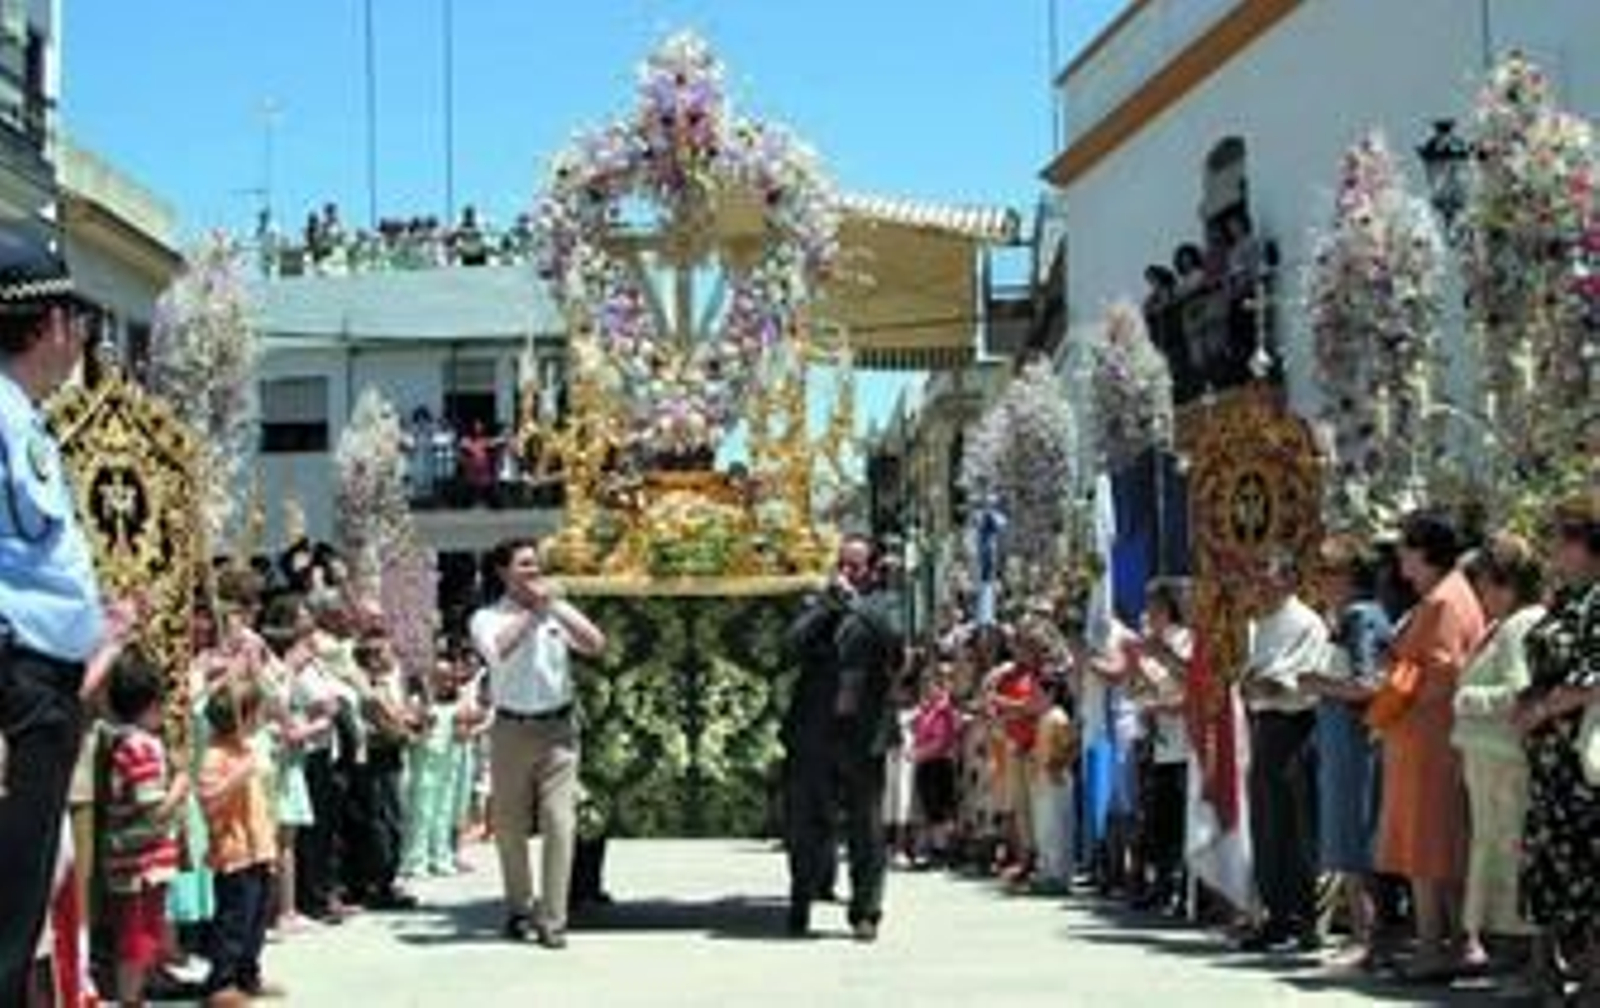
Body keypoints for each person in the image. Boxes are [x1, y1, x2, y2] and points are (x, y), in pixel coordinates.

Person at [0, 231, 139, 1004]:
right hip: (14, 682)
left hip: (41, 685)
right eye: (76, 320)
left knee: (18, 910)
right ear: (49, 325)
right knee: (6, 905)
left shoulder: (21, 418)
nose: (81, 338)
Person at [470, 537, 607, 949]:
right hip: (511, 729)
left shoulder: (553, 612)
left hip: (558, 731)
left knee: (559, 824)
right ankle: (519, 907)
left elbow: (595, 643)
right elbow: (498, 652)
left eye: (537, 565)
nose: (534, 572)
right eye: (525, 565)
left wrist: (556, 607)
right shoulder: (487, 617)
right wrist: (533, 613)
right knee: (510, 828)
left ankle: (553, 919)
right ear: (503, 572)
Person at [1376, 510, 1485, 981]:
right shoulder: (1447, 594)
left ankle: (1431, 947)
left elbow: (1439, 675)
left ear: (1424, 552)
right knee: (1440, 844)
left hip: (1428, 737)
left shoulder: (1443, 600)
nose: (1399, 555)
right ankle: (1456, 942)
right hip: (1426, 737)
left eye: (1405, 545)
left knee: (1428, 847)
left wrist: (1391, 695)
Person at [782, 535, 904, 941]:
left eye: (856, 566)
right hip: (813, 731)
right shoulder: (818, 603)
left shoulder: (884, 605)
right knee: (805, 825)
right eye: (842, 565)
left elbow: (893, 643)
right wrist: (829, 607)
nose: (847, 573)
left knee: (865, 830)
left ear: (871, 571)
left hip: (862, 732)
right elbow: (790, 646)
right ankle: (800, 901)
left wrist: (854, 604)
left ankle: (866, 911)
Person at [1514, 492, 1600, 1001]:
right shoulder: (1565, 599)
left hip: (1582, 761)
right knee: (1547, 863)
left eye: (1561, 538)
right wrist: (1526, 703)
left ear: (1588, 543)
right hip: (1547, 764)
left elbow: (1595, 677)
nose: (1552, 548)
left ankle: (1594, 978)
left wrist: (1544, 709)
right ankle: (1545, 971)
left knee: (1589, 866)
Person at [1451, 533, 1544, 979]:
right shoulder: (1508, 623)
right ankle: (1522, 959)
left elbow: (1518, 691)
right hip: (1492, 759)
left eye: (1485, 585)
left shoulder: (1516, 626)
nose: (1480, 595)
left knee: (1508, 855)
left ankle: (1524, 960)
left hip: (1503, 759)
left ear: (1503, 583)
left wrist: (1465, 698)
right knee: (1499, 853)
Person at [1300, 536, 1394, 969]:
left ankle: (1367, 936)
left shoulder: (1360, 616)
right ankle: (1361, 932)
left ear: (1346, 576)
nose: (1317, 581)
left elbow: (1369, 684)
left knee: (1357, 836)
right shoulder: (1350, 616)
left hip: (1357, 743)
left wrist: (1317, 685)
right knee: (1347, 836)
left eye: (1325, 572)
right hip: (1342, 739)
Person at [1237, 552, 1328, 952]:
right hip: (1265, 727)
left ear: (1289, 579)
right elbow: (1253, 677)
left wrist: (1269, 686)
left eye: (1267, 574)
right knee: (1267, 823)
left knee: (1297, 823)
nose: (1260, 583)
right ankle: (1276, 913)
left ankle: (1306, 916)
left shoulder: (1306, 622)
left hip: (1295, 727)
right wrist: (1254, 685)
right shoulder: (1259, 624)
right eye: (1257, 574)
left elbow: (1300, 679)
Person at [103, 653, 188, 1008]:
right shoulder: (140, 746)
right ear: (153, 703)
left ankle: (140, 991)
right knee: (136, 938)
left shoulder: (122, 739)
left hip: (142, 860)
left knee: (144, 934)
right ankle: (130, 998)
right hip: (139, 863)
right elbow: (151, 809)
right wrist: (181, 785)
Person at [198, 678, 282, 1005]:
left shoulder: (246, 748)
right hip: (234, 852)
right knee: (234, 921)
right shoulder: (215, 755)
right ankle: (221, 982)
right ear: (241, 718)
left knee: (257, 920)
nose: (260, 720)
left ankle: (248, 975)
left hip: (258, 848)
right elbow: (207, 800)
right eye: (255, 714)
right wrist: (237, 777)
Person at [1130, 578, 1194, 915]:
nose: (1149, 613)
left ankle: (1185, 890)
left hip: (1185, 741)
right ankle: (1162, 884)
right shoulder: (1152, 643)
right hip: (1158, 741)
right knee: (1159, 821)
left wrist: (1164, 656)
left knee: (1182, 819)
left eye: (1155, 607)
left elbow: (1192, 680)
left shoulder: (1186, 639)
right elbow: (1144, 686)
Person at [1030, 671, 1079, 896]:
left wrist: (1057, 767)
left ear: (1050, 693)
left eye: (1038, 692)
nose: (1034, 696)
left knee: (1057, 829)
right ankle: (1048, 872)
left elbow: (1071, 746)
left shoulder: (1058, 716)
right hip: (1042, 780)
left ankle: (1059, 876)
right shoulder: (1044, 716)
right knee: (1045, 830)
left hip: (1056, 780)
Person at [910, 664, 962, 866]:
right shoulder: (926, 708)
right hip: (926, 762)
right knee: (929, 808)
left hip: (939, 762)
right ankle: (932, 849)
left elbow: (942, 740)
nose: (926, 688)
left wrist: (918, 753)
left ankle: (941, 851)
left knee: (940, 809)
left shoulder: (943, 708)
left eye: (930, 684)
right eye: (923, 684)